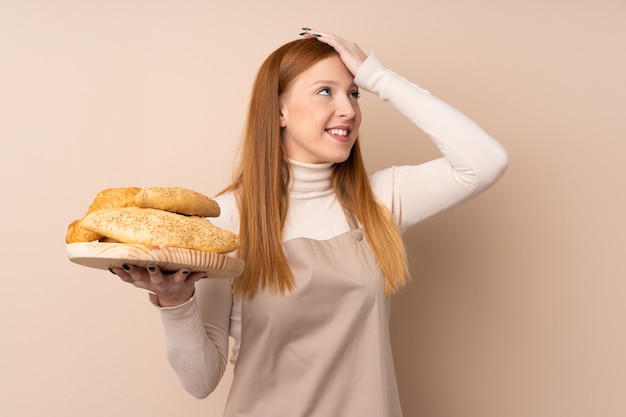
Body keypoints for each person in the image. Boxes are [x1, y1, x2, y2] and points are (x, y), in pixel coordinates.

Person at [110, 29, 508, 416]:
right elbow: (201, 381)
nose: (349, 110)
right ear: (279, 110)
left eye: (354, 93)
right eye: (325, 92)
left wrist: (378, 77)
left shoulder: (380, 201)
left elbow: (485, 162)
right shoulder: (228, 216)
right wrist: (175, 303)